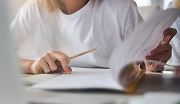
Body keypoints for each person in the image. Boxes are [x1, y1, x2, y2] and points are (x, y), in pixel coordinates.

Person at [11, 0, 176, 74]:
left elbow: (143, 65)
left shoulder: (122, 8)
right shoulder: (33, 11)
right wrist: (32, 66)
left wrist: (151, 65)